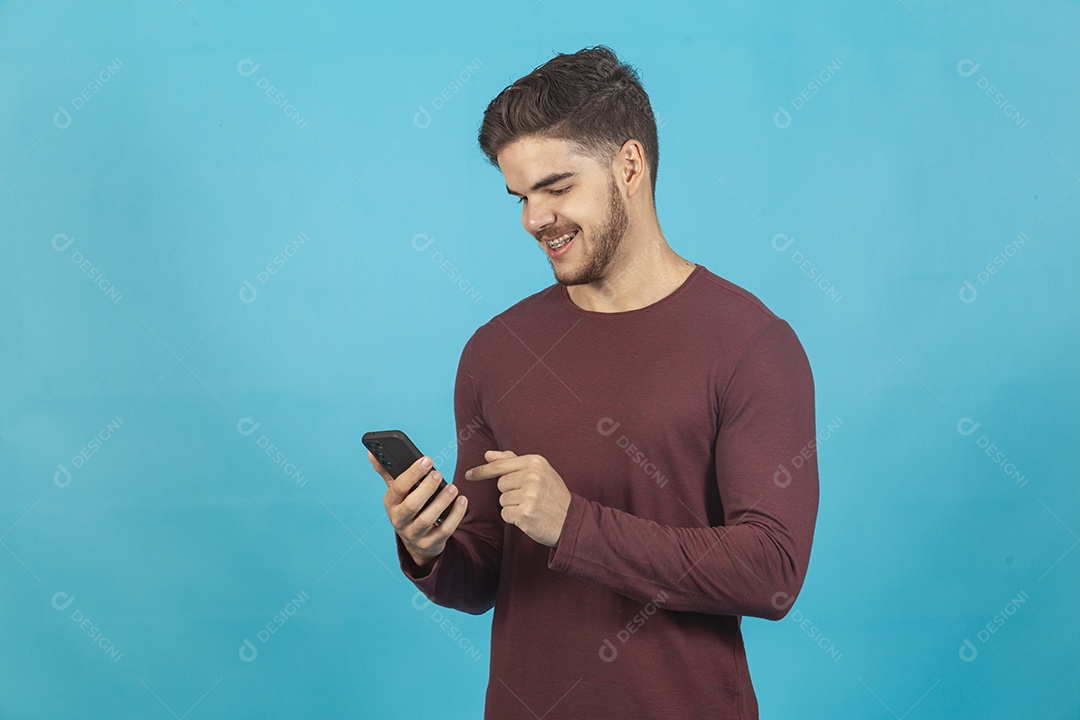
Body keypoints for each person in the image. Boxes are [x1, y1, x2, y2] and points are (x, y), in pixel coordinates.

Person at [367, 45, 819, 719]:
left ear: (628, 166)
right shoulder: (495, 352)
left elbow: (772, 571)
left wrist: (576, 525)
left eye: (557, 188)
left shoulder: (750, 344)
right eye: (521, 196)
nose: (534, 218)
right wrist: (428, 547)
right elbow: (485, 572)